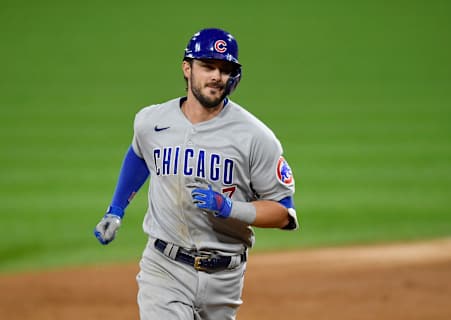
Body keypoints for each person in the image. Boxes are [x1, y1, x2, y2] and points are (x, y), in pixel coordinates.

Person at [94, 27, 299, 320]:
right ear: (187, 68)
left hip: (224, 278)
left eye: (225, 69)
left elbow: (283, 212)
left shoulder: (256, 137)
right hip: (164, 267)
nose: (217, 75)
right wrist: (116, 210)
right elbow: (140, 154)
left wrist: (229, 208)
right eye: (208, 66)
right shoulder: (151, 121)